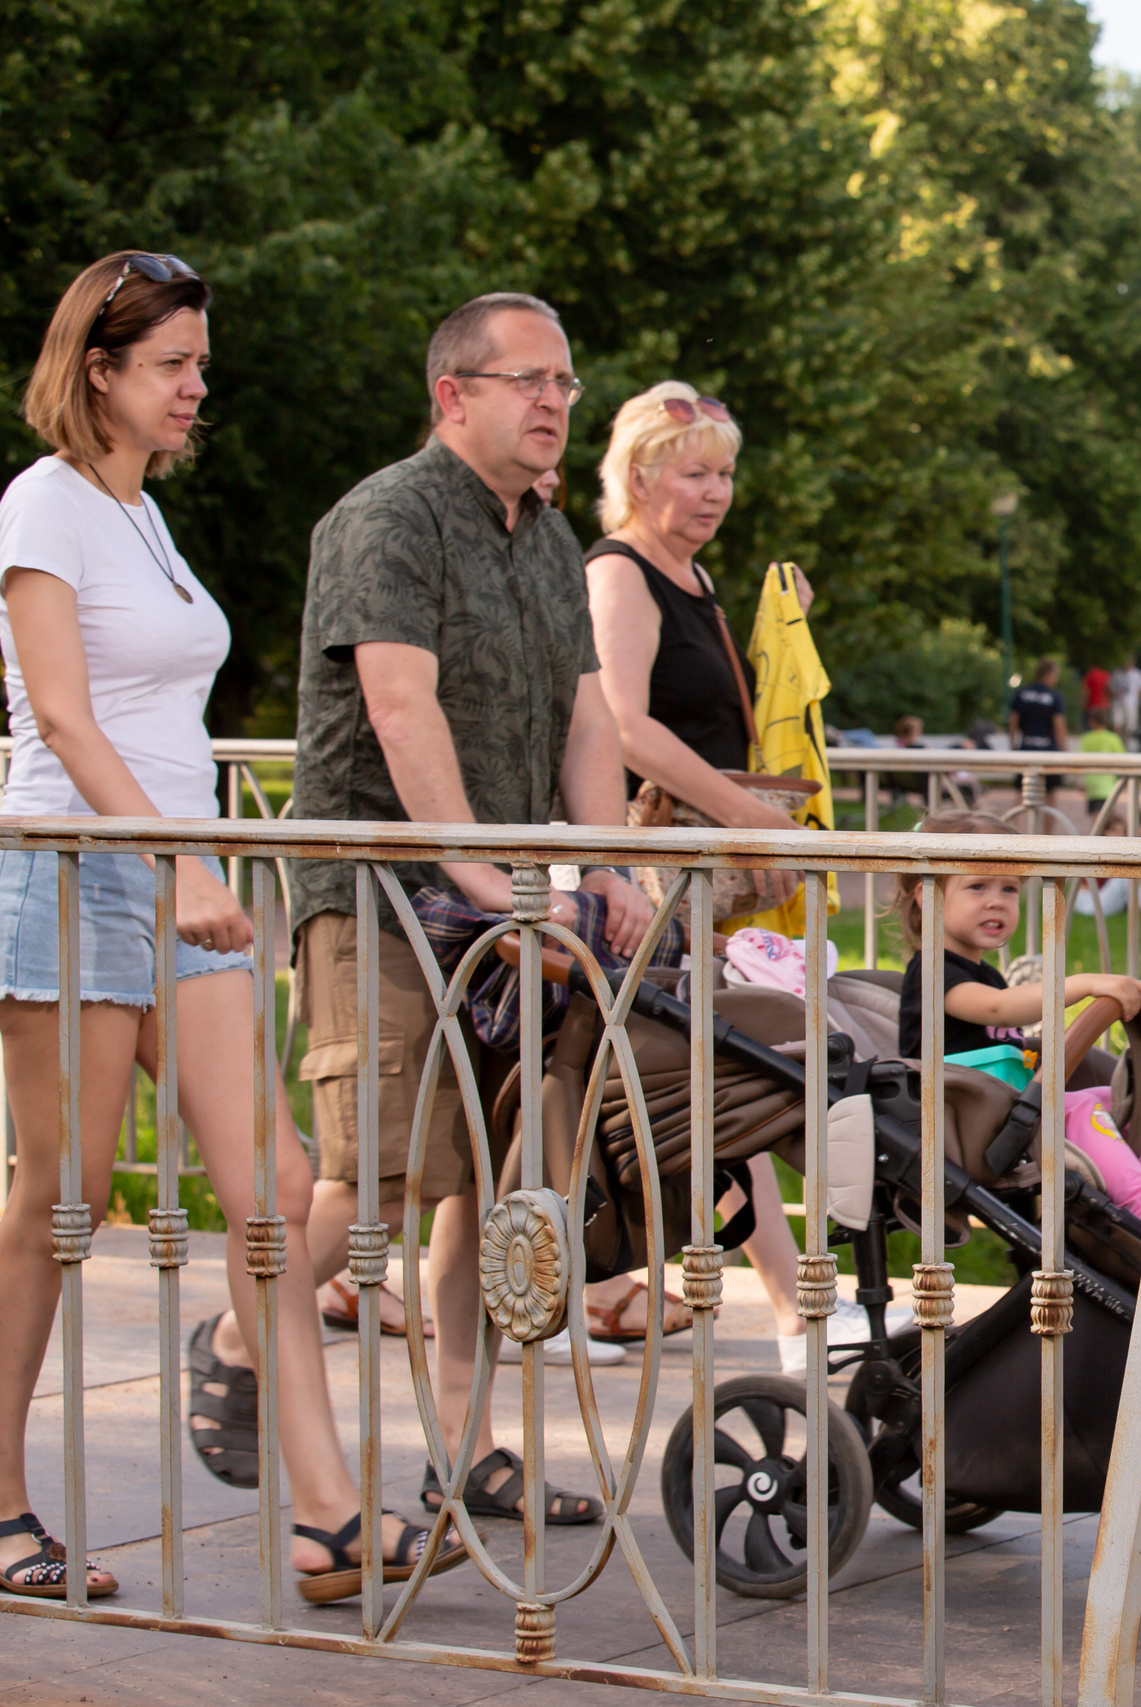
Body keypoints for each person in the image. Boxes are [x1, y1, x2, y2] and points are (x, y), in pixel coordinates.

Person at [0, 253, 459, 1602]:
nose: (199, 387)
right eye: (173, 366)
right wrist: (177, 857)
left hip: (177, 875)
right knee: (56, 1197)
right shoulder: (44, 505)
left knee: (267, 1187)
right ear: (101, 370)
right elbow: (67, 721)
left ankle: (328, 1515)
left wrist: (192, 862)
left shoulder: (145, 519)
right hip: (78, 868)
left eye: (200, 364)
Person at [286, 291, 635, 1530]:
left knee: (481, 1191)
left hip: (501, 912)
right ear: (454, 395)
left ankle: (463, 1450)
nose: (554, 403)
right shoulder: (386, 517)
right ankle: (236, 1329)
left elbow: (588, 714)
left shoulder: (543, 536)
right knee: (372, 1177)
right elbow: (399, 706)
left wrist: (602, 866)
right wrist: (478, 866)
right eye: (528, 380)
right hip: (380, 896)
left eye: (566, 384)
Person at [582, 378, 862, 1375]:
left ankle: (620, 1284)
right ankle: (794, 1308)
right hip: (651, 877)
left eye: (726, 474)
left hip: (699, 879)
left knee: (701, 1083)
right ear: (642, 474)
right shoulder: (620, 574)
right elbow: (621, 725)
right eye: (695, 473)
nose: (716, 493)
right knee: (708, 1082)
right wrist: (745, 811)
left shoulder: (693, 580)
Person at [892, 810, 1141, 1059]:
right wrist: (1085, 984)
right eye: (977, 886)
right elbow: (997, 1008)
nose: (997, 902)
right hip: (940, 1100)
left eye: (1009, 888)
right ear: (928, 897)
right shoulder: (932, 971)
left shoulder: (987, 975)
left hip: (989, 1096)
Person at [1007, 659, 1065, 753]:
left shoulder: (1021, 693)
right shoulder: (1054, 697)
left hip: (1026, 746)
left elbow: (1013, 720)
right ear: (1049, 674)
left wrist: (1012, 744)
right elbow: (1058, 725)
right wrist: (1064, 749)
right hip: (1048, 748)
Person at [1080, 661, 1110, 733]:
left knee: (1088, 728)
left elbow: (1086, 691)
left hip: (1091, 705)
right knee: (1102, 728)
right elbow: (1108, 690)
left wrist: (1083, 703)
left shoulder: (1089, 675)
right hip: (1103, 706)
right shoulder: (1105, 674)